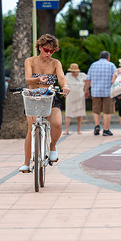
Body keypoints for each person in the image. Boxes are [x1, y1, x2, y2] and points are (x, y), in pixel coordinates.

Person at [18, 34, 70, 173]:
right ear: (40, 47)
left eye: (51, 51)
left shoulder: (55, 63)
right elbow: (28, 80)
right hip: (33, 98)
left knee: (58, 124)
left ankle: (52, 146)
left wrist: (65, 86)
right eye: (46, 50)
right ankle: (26, 163)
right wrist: (38, 79)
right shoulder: (30, 61)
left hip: (49, 97)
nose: (48, 53)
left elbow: (61, 78)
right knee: (31, 129)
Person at [84, 51, 117, 136]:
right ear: (108, 58)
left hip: (95, 91)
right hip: (108, 92)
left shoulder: (93, 65)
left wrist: (86, 90)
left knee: (96, 110)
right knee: (107, 111)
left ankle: (97, 126)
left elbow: (88, 79)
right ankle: (106, 130)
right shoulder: (111, 65)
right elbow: (116, 77)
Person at [64, 63, 86, 135]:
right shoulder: (67, 76)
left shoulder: (83, 75)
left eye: (74, 71)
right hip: (70, 96)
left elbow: (88, 82)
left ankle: (79, 130)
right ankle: (67, 130)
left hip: (80, 96)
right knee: (68, 113)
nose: (73, 73)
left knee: (80, 113)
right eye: (72, 71)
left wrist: (86, 89)